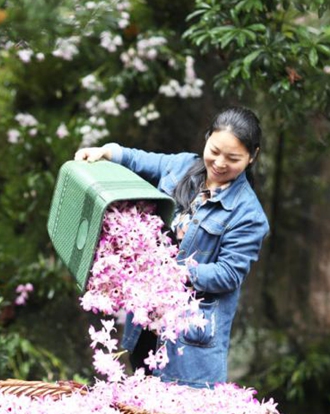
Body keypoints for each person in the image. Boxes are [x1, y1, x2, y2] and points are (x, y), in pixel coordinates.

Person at [74, 106, 269, 388]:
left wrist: (174, 273)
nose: (220, 162)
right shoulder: (182, 167)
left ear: (252, 157)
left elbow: (228, 275)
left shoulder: (248, 215)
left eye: (233, 158)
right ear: (207, 139)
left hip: (188, 339)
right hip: (147, 322)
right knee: (143, 412)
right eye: (214, 150)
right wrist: (106, 152)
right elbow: (141, 160)